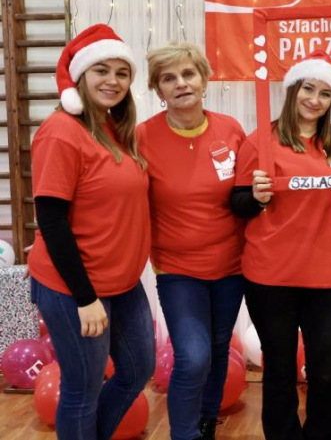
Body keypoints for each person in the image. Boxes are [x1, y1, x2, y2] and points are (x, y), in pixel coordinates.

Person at [27, 24, 155, 438]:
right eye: (102, 70)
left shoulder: (117, 131)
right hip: (75, 289)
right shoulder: (61, 132)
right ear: (81, 77)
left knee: (138, 370)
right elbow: (50, 220)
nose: (113, 81)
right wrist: (85, 298)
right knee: (81, 390)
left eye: (122, 72)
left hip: (122, 282)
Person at [230, 49, 331, 440]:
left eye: (324, 94)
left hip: (326, 276)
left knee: (324, 370)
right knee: (280, 369)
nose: (314, 100)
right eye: (308, 88)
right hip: (271, 275)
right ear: (292, 90)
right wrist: (258, 197)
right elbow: (238, 203)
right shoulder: (261, 141)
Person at [136, 43, 246, 440]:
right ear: (158, 90)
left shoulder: (230, 129)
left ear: (204, 80)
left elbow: (249, 192)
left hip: (232, 267)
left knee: (217, 351)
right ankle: (184, 434)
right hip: (177, 269)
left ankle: (205, 423)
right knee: (193, 356)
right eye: (169, 78)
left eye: (188, 74)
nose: (181, 83)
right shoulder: (142, 137)